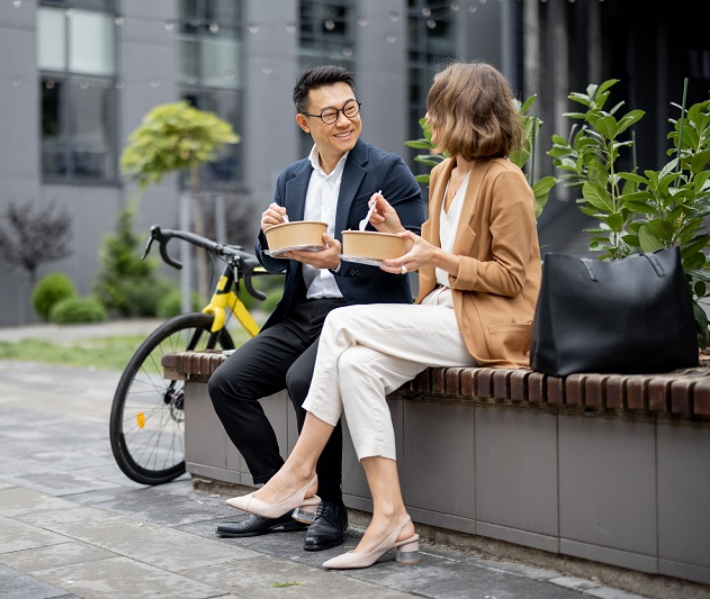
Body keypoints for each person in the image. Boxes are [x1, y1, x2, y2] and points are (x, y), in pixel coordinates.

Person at [225, 60, 542, 570]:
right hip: (441, 313)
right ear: (306, 122)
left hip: (488, 324)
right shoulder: (445, 174)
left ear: (463, 114)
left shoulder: (505, 180)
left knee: (341, 324)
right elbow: (426, 262)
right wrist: (400, 235)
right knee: (355, 367)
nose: (427, 118)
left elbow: (512, 279)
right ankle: (391, 517)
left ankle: (298, 473)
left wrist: (433, 257)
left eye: (435, 109)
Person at [210, 65, 424, 551]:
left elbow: (409, 252)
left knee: (303, 379)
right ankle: (281, 496)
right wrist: (267, 236)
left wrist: (341, 259)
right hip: (303, 311)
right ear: (304, 122)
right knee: (227, 383)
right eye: (330, 114)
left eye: (350, 108)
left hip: (361, 312)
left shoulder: (387, 170)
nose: (344, 121)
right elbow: (276, 258)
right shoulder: (291, 178)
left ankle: (331, 504)